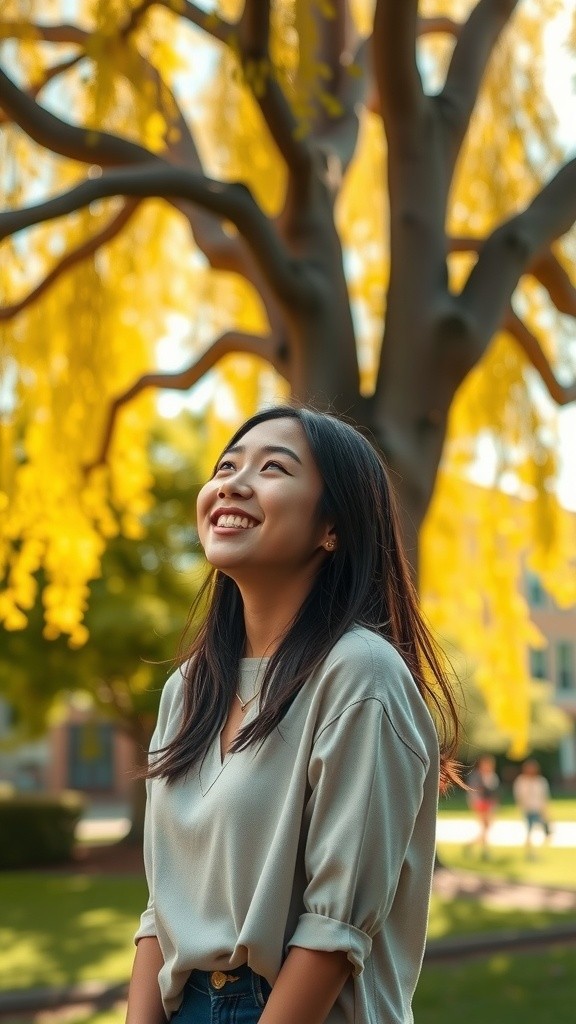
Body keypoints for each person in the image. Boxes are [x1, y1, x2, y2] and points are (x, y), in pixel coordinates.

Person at [126, 404, 461, 1024]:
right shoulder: (188, 687)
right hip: (184, 1004)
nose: (232, 482)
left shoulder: (360, 676)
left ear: (331, 527)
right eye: (226, 466)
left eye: (273, 468)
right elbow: (161, 910)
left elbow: (332, 936)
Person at [513, 759, 551, 859]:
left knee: (538, 829)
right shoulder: (521, 781)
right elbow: (519, 795)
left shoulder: (540, 781)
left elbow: (544, 797)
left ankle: (533, 851)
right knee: (530, 830)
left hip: (538, 809)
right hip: (528, 809)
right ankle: (530, 852)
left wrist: (545, 810)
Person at [464, 754, 500, 859]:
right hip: (480, 803)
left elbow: (495, 792)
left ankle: (471, 845)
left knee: (486, 828)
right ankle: (485, 851)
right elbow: (473, 792)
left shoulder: (492, 776)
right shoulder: (476, 776)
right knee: (485, 827)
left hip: (489, 804)